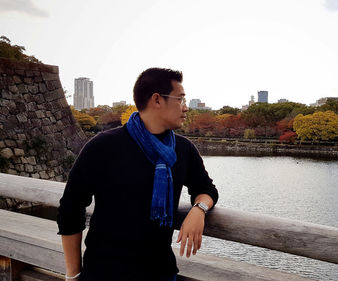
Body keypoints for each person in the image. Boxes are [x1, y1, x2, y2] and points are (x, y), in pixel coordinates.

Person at [57, 68, 218, 281]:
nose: (186, 108)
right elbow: (71, 208)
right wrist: (73, 274)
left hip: (160, 272)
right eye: (180, 99)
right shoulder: (104, 146)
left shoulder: (183, 149)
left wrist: (199, 210)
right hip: (104, 272)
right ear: (157, 100)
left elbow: (206, 189)